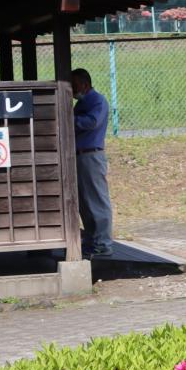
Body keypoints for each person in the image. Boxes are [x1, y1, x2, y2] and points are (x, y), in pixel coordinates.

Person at [70, 69, 113, 257]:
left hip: (91, 156)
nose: (72, 89)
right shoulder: (81, 103)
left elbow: (92, 122)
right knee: (85, 203)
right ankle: (92, 241)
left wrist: (68, 119)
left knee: (97, 201)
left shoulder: (97, 101)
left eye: (74, 85)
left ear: (85, 84)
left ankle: (103, 243)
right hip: (79, 156)